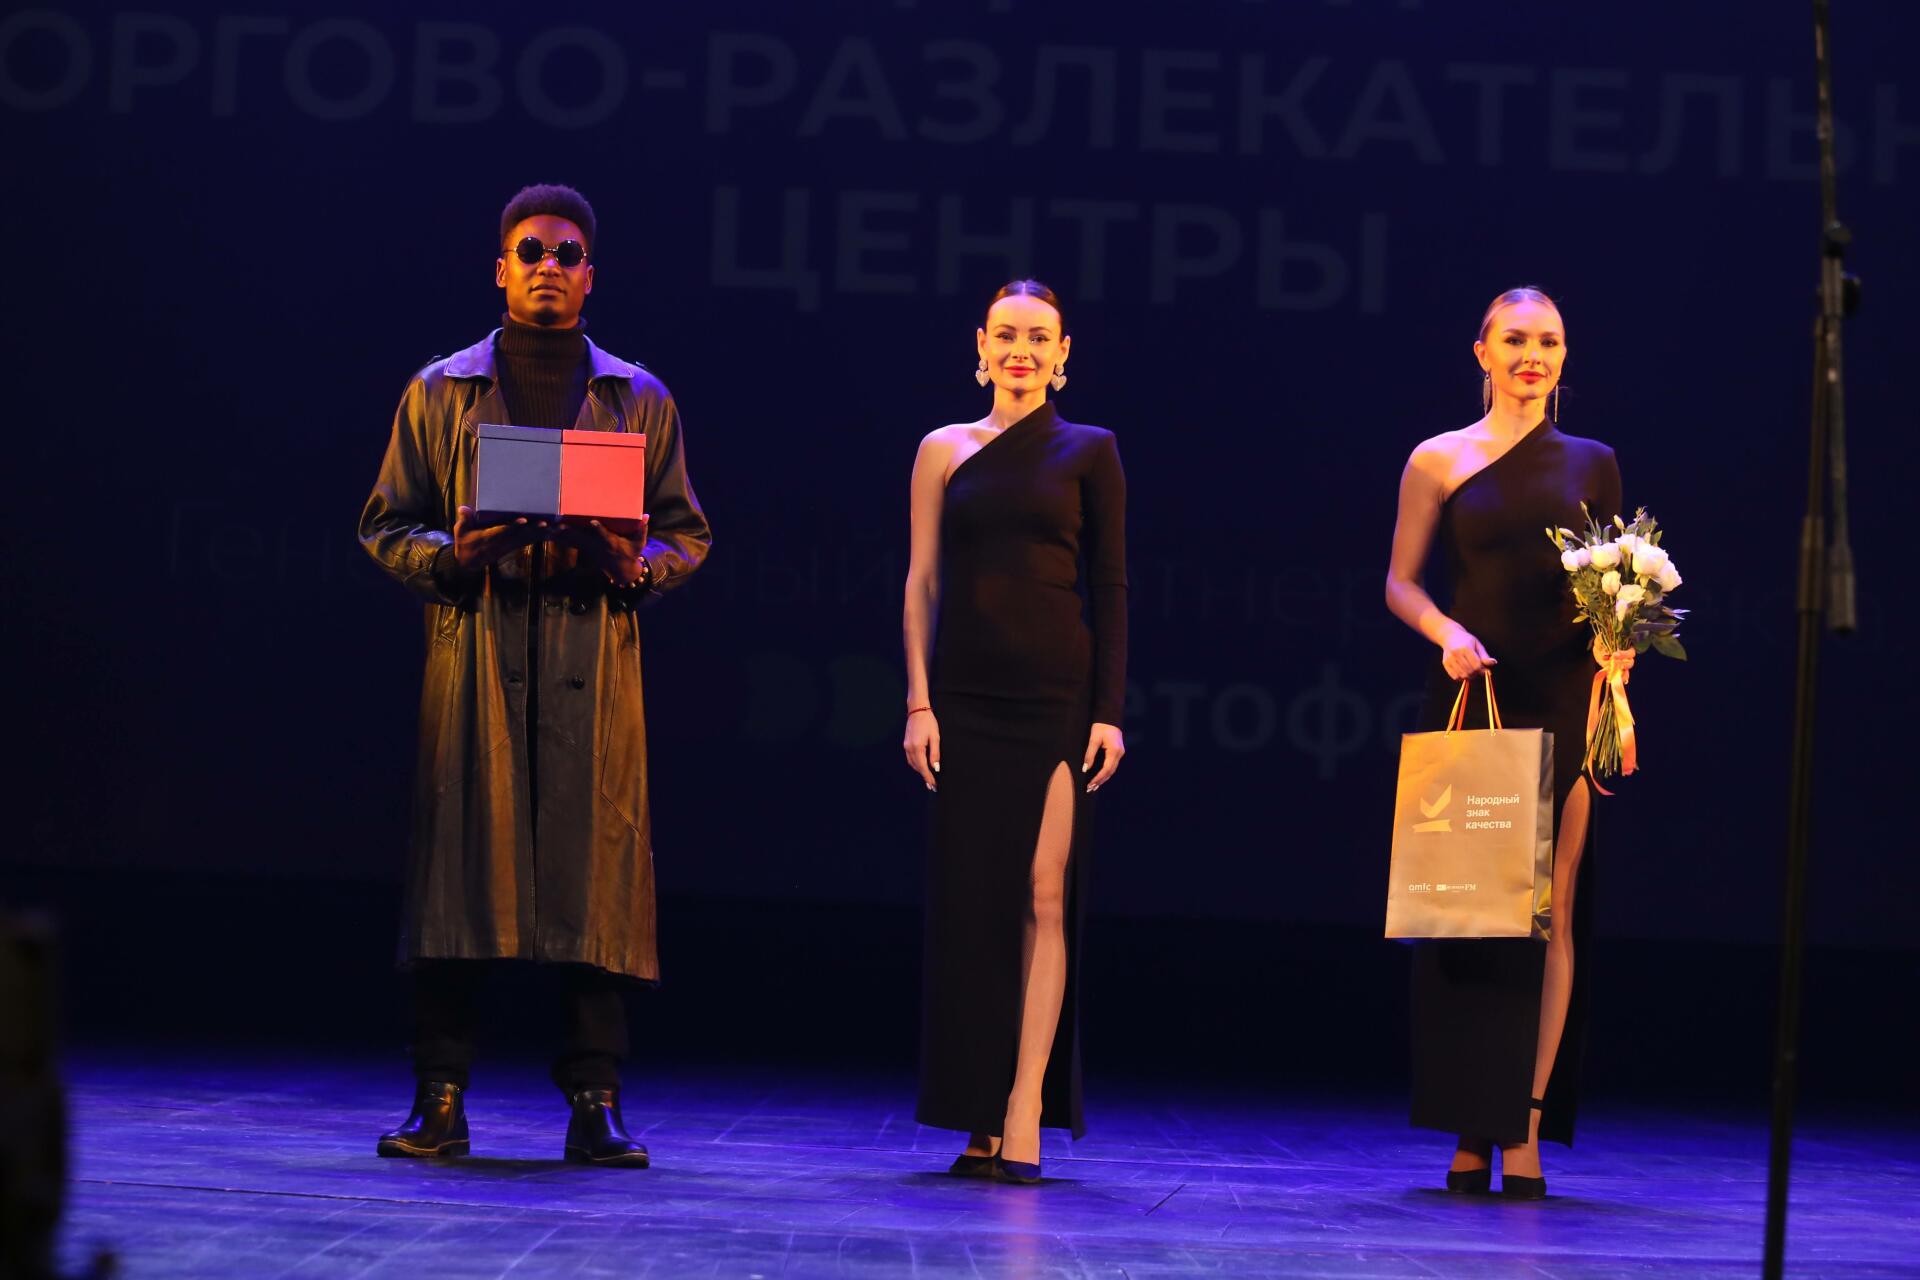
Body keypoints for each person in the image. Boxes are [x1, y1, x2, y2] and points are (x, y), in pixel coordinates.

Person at [358, 183, 710, 1167]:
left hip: (590, 663)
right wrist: (454, 554)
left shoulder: (638, 398)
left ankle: (596, 1102)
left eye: (566, 254)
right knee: (460, 869)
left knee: (594, 881)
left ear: (591, 275)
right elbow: (386, 521)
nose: (547, 266)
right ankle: (440, 1097)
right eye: (530, 251)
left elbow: (685, 531)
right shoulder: (441, 391)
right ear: (500, 269)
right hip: (477, 655)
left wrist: (635, 564)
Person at [1384, 286, 1628, 1198]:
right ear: (1482, 351)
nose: (1534, 356)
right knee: (1470, 911)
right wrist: (1445, 631)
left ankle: (1521, 1124)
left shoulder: (1594, 462)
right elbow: (1401, 582)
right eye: (1516, 339)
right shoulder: (1438, 458)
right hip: (1474, 693)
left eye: (1549, 342)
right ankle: (1467, 1125)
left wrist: (1617, 659)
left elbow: (1611, 589)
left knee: (1549, 910)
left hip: (1565, 695)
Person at [902, 280, 1128, 1183]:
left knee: (1043, 894)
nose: (1021, 351)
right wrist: (919, 702)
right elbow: (922, 581)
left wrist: (1109, 710)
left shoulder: (1090, 451)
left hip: (1057, 696)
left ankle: (1026, 1099)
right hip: (965, 696)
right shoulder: (943, 449)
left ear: (1063, 352)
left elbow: (1110, 586)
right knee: (976, 905)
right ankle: (978, 1107)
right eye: (1007, 335)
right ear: (982, 346)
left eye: (1039, 337)